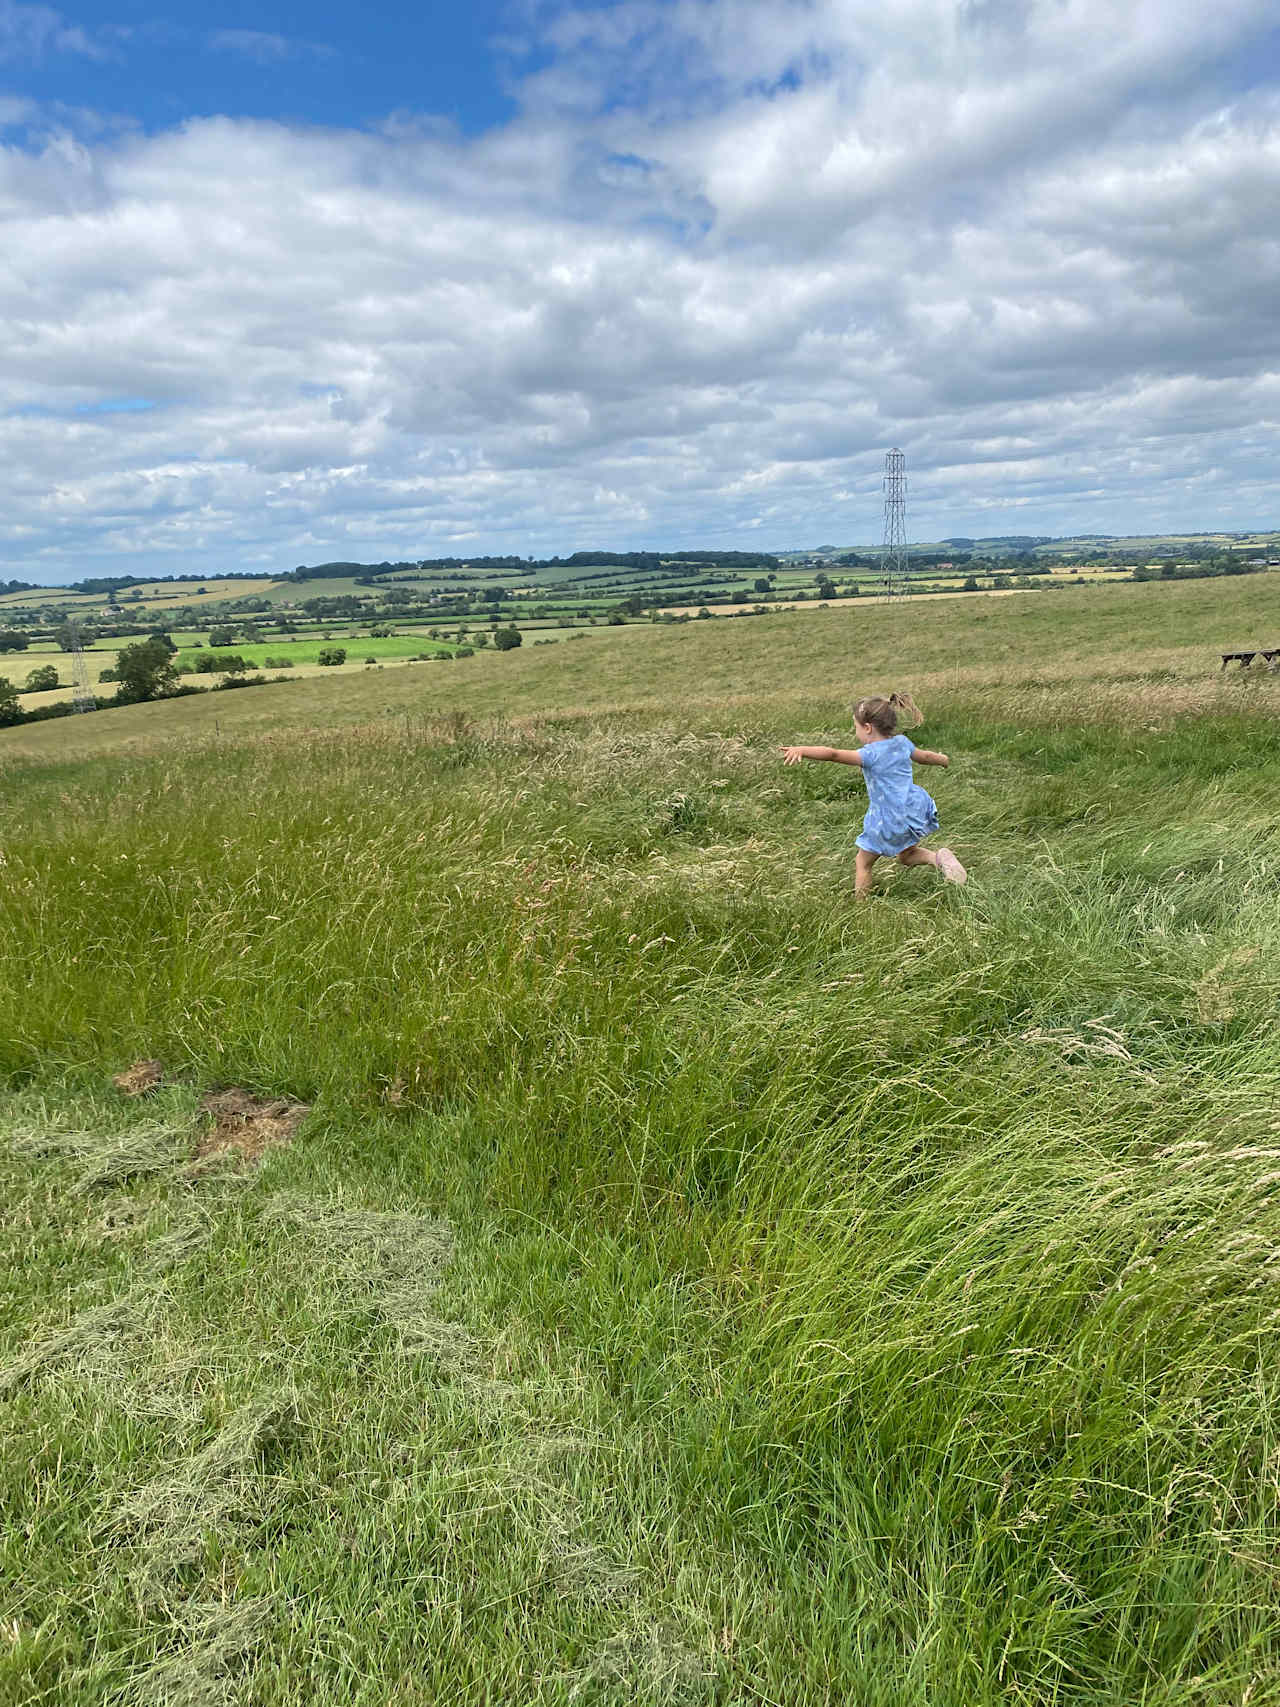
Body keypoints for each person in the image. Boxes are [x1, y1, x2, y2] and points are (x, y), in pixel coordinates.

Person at [781, 691, 966, 898]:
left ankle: (861, 909)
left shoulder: (869, 754)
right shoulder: (902, 742)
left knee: (863, 863)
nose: (856, 732)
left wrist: (802, 749)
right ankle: (939, 859)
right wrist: (943, 759)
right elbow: (924, 756)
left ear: (867, 728)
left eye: (856, 727)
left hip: (889, 818)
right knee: (907, 855)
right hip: (914, 808)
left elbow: (832, 754)